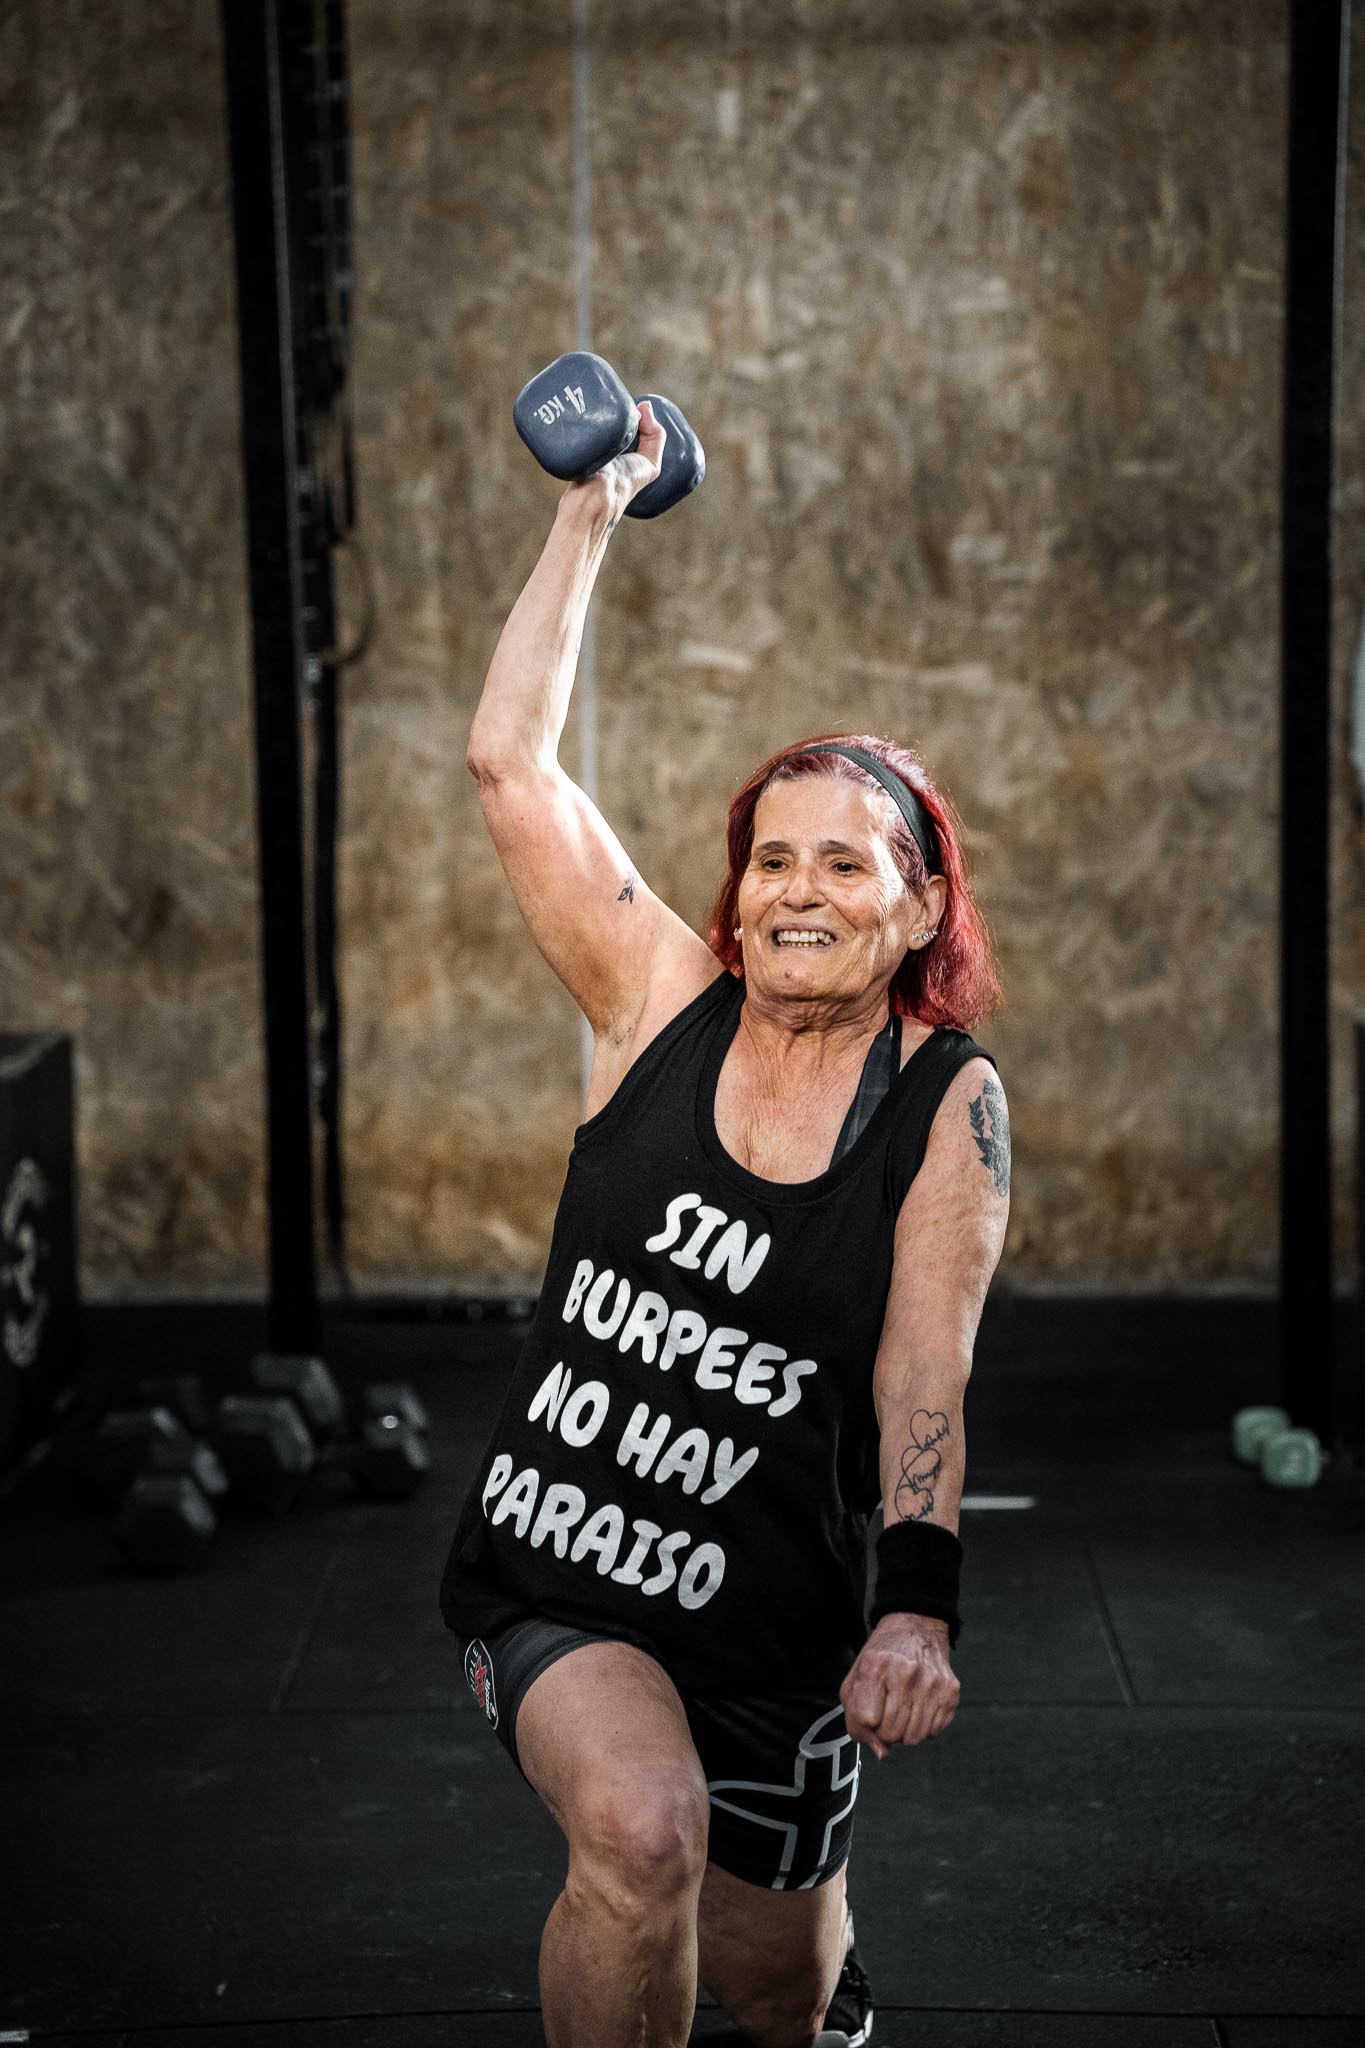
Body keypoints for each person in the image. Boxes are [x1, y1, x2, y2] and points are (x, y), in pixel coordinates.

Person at [440, 402, 1011, 2048]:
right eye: (770, 860)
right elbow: (510, 765)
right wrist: (594, 505)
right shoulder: (652, 1003)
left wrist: (915, 1605)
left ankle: (822, 1994)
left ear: (917, 905)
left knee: (782, 2000)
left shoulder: (944, 1103)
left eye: (844, 865)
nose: (796, 891)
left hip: (772, 1619)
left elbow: (922, 1370)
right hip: (560, 1572)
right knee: (640, 1838)